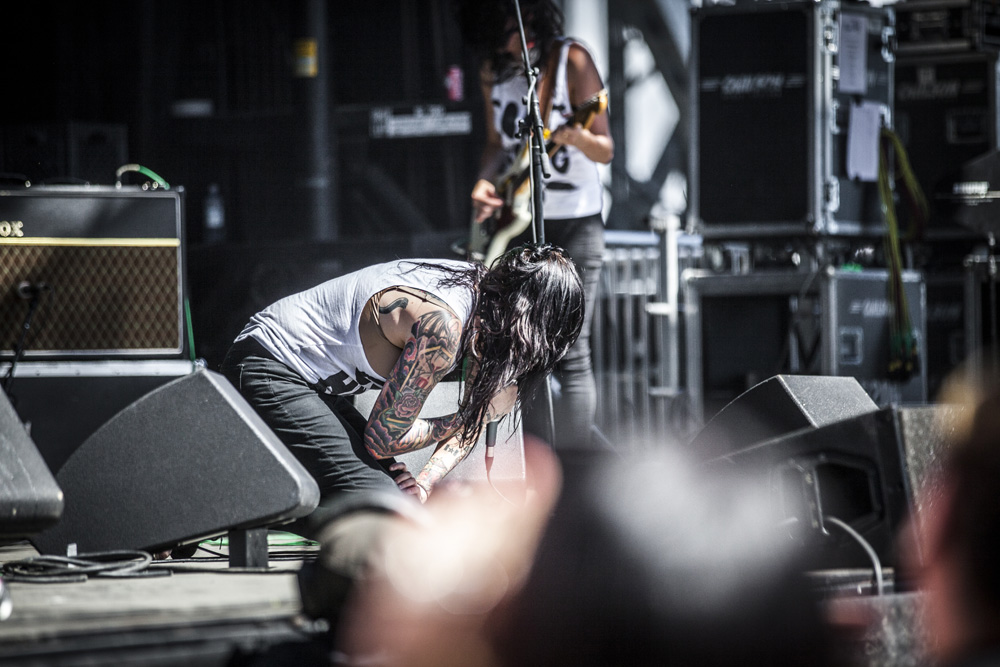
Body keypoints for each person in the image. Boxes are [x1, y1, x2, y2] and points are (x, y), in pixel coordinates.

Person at [219, 243, 584, 516]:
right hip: (268, 364)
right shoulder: (443, 326)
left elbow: (469, 426)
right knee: (383, 505)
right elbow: (384, 439)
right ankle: (230, 507)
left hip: (314, 383)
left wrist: (424, 482)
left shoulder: (486, 308)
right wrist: (475, 414)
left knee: (399, 496)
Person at [457, 0, 613, 451]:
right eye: (501, 33)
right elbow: (495, 144)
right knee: (519, 345)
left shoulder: (573, 59)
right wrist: (485, 182)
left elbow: (605, 148)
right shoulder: (493, 71)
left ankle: (577, 463)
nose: (513, 39)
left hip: (577, 222)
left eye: (516, 27)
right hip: (519, 222)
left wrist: (575, 136)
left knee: (572, 348)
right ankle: (529, 456)